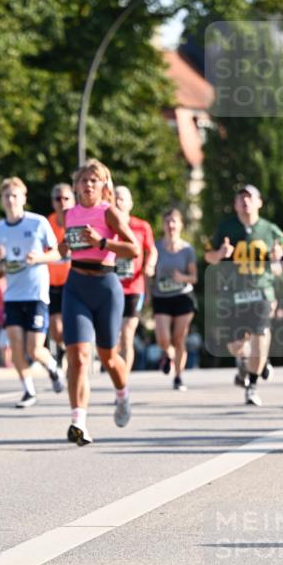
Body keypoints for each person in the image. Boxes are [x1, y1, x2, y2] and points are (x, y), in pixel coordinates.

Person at [61, 158, 139, 445]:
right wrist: (62, 246)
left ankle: (122, 394)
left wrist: (102, 243)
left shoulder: (110, 213)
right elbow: (63, 247)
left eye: (95, 180)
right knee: (78, 357)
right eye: (84, 180)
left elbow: (134, 249)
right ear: (77, 185)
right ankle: (78, 422)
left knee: (107, 357)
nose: (89, 184)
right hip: (76, 286)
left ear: (104, 184)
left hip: (106, 287)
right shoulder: (68, 214)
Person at [0, 177, 64, 408]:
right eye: (6, 196)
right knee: (15, 344)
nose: (10, 200)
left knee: (34, 348)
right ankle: (28, 390)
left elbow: (58, 253)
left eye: (15, 196)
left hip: (36, 294)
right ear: (1, 200)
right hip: (13, 296)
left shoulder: (38, 223)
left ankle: (52, 367)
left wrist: (39, 258)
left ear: (23, 198)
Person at [204, 184, 283, 407]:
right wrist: (220, 254)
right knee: (235, 346)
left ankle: (252, 386)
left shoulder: (270, 230)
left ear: (259, 202)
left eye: (250, 198)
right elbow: (208, 257)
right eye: (241, 198)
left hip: (261, 292)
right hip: (233, 295)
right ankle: (246, 362)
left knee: (260, 338)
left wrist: (278, 258)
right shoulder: (226, 228)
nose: (245, 202)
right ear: (235, 204)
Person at [152, 208, 197, 391]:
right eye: (167, 221)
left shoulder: (187, 250)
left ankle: (178, 376)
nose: (171, 225)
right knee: (163, 338)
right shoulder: (156, 247)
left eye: (174, 221)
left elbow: (194, 278)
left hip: (182, 296)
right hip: (161, 296)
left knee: (179, 339)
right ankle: (167, 354)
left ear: (180, 225)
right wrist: (147, 293)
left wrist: (182, 278)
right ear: (163, 225)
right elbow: (149, 273)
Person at [113, 185, 157, 375]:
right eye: (114, 197)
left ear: (130, 203)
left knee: (127, 335)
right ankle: (116, 371)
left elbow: (152, 250)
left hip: (134, 287)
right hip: (111, 286)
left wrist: (150, 265)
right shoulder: (106, 225)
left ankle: (123, 379)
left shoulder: (142, 226)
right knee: (112, 337)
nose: (118, 201)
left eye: (122, 198)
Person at [46, 182, 75, 366]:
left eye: (66, 198)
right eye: (58, 198)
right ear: (53, 202)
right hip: (52, 283)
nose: (62, 202)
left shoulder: (78, 221)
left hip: (73, 281)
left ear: (73, 200)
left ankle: (75, 352)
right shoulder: (47, 223)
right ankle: (64, 348)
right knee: (56, 329)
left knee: (72, 323)